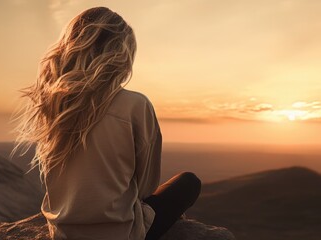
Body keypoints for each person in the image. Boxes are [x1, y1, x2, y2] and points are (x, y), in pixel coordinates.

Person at [12, 6, 201, 240]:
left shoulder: (53, 105)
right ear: (120, 55)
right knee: (188, 183)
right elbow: (146, 186)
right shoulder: (135, 105)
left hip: (62, 233)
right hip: (121, 233)